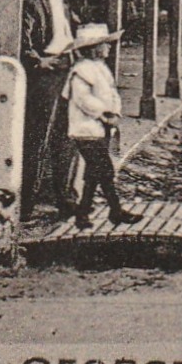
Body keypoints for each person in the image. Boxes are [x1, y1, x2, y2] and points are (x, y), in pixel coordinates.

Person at [21, 0, 84, 217]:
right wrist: (39, 62)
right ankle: (26, 201)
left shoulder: (65, 5)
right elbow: (24, 42)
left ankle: (64, 197)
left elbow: (69, 36)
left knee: (66, 137)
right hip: (46, 76)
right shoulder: (35, 4)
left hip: (66, 71)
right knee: (38, 137)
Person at [62, 23, 142, 230]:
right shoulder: (82, 71)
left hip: (101, 128)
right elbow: (83, 100)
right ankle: (115, 211)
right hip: (86, 129)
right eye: (105, 44)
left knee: (94, 172)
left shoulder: (99, 68)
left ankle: (83, 214)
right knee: (104, 169)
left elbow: (111, 94)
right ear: (94, 48)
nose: (109, 48)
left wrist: (114, 111)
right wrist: (104, 113)